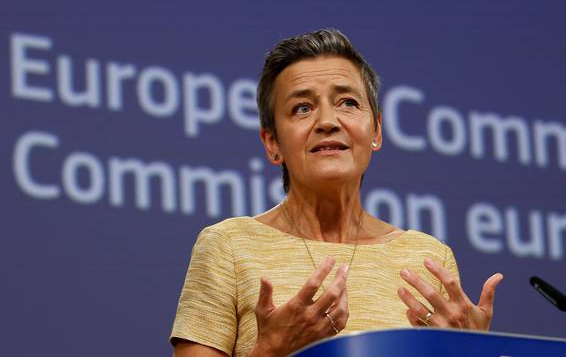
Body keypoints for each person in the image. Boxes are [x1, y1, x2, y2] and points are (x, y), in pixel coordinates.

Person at [170, 29, 503, 357]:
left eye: (347, 102)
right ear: (272, 143)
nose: (327, 121)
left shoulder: (428, 258)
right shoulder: (228, 245)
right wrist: (271, 352)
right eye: (302, 108)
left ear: (376, 131)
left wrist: (475, 354)